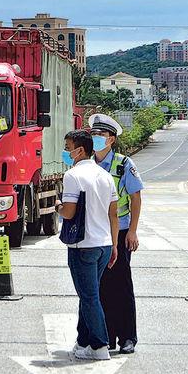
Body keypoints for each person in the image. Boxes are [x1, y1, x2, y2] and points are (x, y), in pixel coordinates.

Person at [55, 129, 118, 361]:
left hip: (83, 246)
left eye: (68, 147)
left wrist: (58, 206)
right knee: (88, 294)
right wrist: (114, 245)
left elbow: (69, 212)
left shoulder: (72, 176)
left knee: (89, 297)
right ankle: (83, 341)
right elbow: (113, 213)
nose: (67, 152)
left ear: (80, 149)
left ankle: (100, 345)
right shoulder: (105, 176)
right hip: (104, 244)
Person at [90, 113, 144, 355]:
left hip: (120, 232)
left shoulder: (123, 164)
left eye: (101, 135)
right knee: (100, 286)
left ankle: (128, 337)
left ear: (111, 139)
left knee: (121, 285)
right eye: (94, 134)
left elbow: (135, 197)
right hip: (96, 233)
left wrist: (132, 230)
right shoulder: (88, 164)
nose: (96, 139)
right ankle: (107, 335)